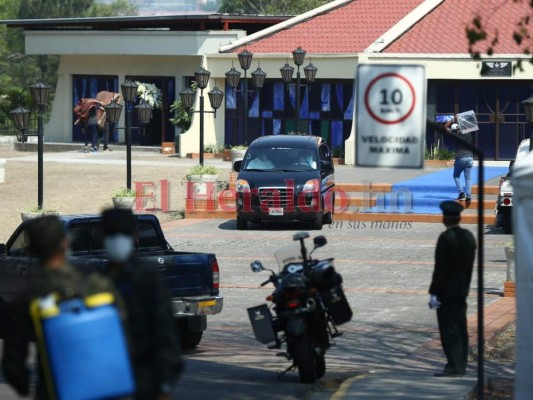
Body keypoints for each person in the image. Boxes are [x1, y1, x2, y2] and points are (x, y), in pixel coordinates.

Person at [1, 216, 116, 399]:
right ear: (64, 243)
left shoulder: (28, 299)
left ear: (30, 251)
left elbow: (13, 364)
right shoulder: (97, 285)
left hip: (52, 391)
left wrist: (25, 388)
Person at [101, 208, 183, 400]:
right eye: (112, 233)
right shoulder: (95, 282)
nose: (117, 239)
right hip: (105, 383)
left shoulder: (148, 279)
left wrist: (164, 385)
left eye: (121, 233)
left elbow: (165, 333)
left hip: (144, 381)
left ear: (134, 236)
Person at [429, 201, 477, 377]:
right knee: (460, 327)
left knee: (449, 329)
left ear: (444, 219)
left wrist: (434, 292)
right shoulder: (469, 237)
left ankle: (453, 366)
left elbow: (440, 268)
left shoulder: (446, 238)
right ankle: (460, 364)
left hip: (446, 291)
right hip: (462, 289)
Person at [444, 116, 474, 202]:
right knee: (468, 178)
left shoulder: (454, 135)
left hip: (461, 158)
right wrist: (460, 119)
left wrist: (453, 119)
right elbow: (468, 125)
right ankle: (469, 196)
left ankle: (461, 193)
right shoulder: (468, 134)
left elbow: (445, 127)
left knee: (456, 175)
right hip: (470, 158)